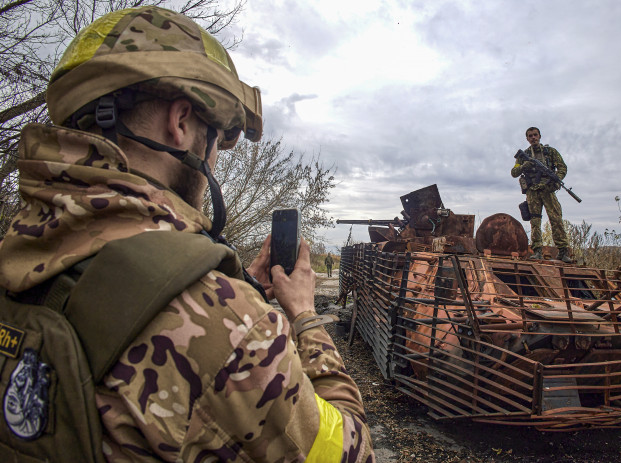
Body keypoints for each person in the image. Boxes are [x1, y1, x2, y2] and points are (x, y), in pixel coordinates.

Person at [0, 7, 373, 462]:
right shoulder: (227, 323)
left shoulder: (19, 249)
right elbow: (350, 453)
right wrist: (305, 316)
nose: (214, 162)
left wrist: (246, 290)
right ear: (180, 122)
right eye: (216, 139)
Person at [511, 127, 573, 263]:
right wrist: (523, 166)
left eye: (535, 135)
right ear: (527, 139)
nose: (533, 138)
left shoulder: (550, 152)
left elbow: (562, 167)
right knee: (535, 221)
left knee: (556, 219)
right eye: (530, 136)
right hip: (532, 191)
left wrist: (556, 180)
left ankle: (563, 251)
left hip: (548, 189)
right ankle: (537, 250)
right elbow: (514, 172)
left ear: (539, 136)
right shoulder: (524, 155)